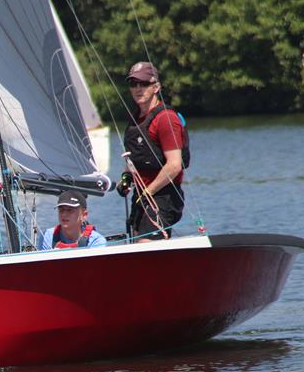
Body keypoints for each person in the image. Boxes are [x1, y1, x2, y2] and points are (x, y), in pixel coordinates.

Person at [121, 62, 190, 242]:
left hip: (163, 196)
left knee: (146, 246)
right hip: (142, 197)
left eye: (144, 84)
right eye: (133, 84)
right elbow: (133, 158)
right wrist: (126, 179)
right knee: (136, 248)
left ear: (156, 87)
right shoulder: (135, 120)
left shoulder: (166, 119)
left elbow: (174, 165)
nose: (138, 88)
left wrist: (148, 193)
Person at [37, 189, 107, 250]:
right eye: (61, 210)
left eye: (70, 210)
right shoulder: (47, 236)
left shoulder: (96, 241)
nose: (64, 214)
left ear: (84, 215)